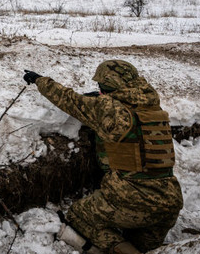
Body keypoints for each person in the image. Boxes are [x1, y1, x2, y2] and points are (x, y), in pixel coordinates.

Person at [23, 60, 183, 254]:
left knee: (78, 216)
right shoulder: (154, 110)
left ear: (107, 85)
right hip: (170, 202)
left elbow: (68, 99)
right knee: (140, 244)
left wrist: (40, 80)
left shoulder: (108, 109)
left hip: (133, 200)